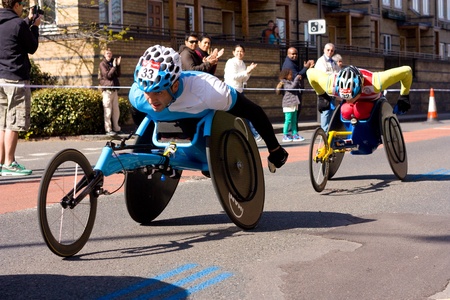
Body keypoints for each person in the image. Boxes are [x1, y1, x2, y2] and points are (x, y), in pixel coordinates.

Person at [129, 45, 288, 172]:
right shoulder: (138, 95)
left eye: (158, 92)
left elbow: (254, 112)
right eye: (147, 92)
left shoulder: (209, 89)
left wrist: (275, 149)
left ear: (175, 85)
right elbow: (139, 109)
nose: (150, 99)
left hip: (199, 122)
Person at [0, 0, 42, 176]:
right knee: (13, 122)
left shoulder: (8, 23)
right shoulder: (18, 24)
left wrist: (28, 21)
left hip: (0, 78)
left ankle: (1, 162)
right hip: (16, 79)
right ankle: (10, 163)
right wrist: (35, 27)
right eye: (21, 4)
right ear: (16, 5)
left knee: (1, 123)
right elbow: (31, 47)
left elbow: (12, 35)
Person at [306, 65, 412, 121]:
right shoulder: (330, 84)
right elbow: (310, 73)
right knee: (346, 111)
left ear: (361, 88)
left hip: (371, 101)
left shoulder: (376, 82)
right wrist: (321, 95)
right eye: (346, 97)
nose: (350, 100)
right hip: (348, 105)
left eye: (352, 97)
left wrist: (404, 95)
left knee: (360, 111)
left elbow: (407, 71)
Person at [223, 44, 260, 141]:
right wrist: (246, 71)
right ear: (233, 52)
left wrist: (249, 71)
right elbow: (233, 77)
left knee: (244, 113)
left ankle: (250, 134)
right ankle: (254, 134)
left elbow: (244, 79)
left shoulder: (242, 63)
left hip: (239, 90)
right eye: (237, 51)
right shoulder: (231, 62)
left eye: (241, 51)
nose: (239, 53)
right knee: (244, 112)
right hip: (231, 90)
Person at [281, 47, 315, 122]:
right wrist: (306, 67)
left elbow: (301, 75)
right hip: (291, 95)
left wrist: (307, 68)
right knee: (291, 117)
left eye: (296, 54)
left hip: (295, 94)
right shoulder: (289, 64)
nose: (295, 56)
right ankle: (289, 133)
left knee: (295, 115)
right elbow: (297, 76)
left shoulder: (293, 62)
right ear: (288, 54)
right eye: (292, 54)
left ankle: (294, 132)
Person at [314, 43, 341, 131]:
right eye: (328, 50)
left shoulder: (333, 62)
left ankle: (330, 133)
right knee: (325, 112)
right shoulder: (320, 61)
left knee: (331, 113)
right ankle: (325, 133)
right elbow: (322, 75)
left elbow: (339, 73)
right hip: (324, 92)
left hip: (332, 92)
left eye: (332, 50)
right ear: (324, 50)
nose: (330, 52)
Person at [99, 48, 122, 135]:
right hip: (107, 91)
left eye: (110, 53)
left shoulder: (113, 63)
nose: (109, 55)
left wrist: (118, 65)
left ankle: (116, 128)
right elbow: (108, 76)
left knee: (116, 110)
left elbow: (118, 75)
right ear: (104, 55)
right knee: (108, 110)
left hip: (114, 90)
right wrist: (114, 67)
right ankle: (108, 130)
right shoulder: (102, 64)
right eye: (107, 53)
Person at [278, 69, 305, 142]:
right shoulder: (285, 83)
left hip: (294, 103)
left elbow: (296, 86)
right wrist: (296, 79)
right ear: (286, 75)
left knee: (294, 120)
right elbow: (291, 88)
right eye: (290, 74)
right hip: (288, 104)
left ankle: (294, 133)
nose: (292, 75)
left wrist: (299, 81)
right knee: (288, 120)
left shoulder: (290, 82)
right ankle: (285, 134)